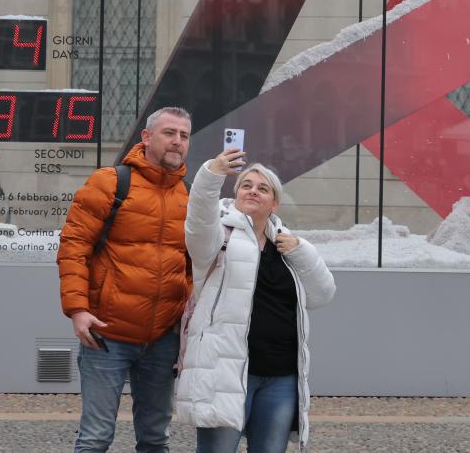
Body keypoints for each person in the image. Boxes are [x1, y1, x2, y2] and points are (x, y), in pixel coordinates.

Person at [176, 147, 336, 453]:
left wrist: (302, 250)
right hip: (227, 374)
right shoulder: (217, 238)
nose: (253, 191)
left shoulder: (287, 245)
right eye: (246, 185)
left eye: (263, 188)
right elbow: (197, 221)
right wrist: (212, 175)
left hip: (280, 378)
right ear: (235, 196)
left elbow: (322, 294)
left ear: (274, 203)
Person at [57, 106, 193, 453]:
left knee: (154, 439)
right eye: (169, 133)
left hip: (163, 339)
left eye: (184, 135)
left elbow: (194, 263)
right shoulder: (111, 181)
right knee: (96, 439)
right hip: (107, 335)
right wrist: (77, 310)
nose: (177, 142)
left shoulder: (190, 194)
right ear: (146, 138)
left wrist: (186, 319)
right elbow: (74, 247)